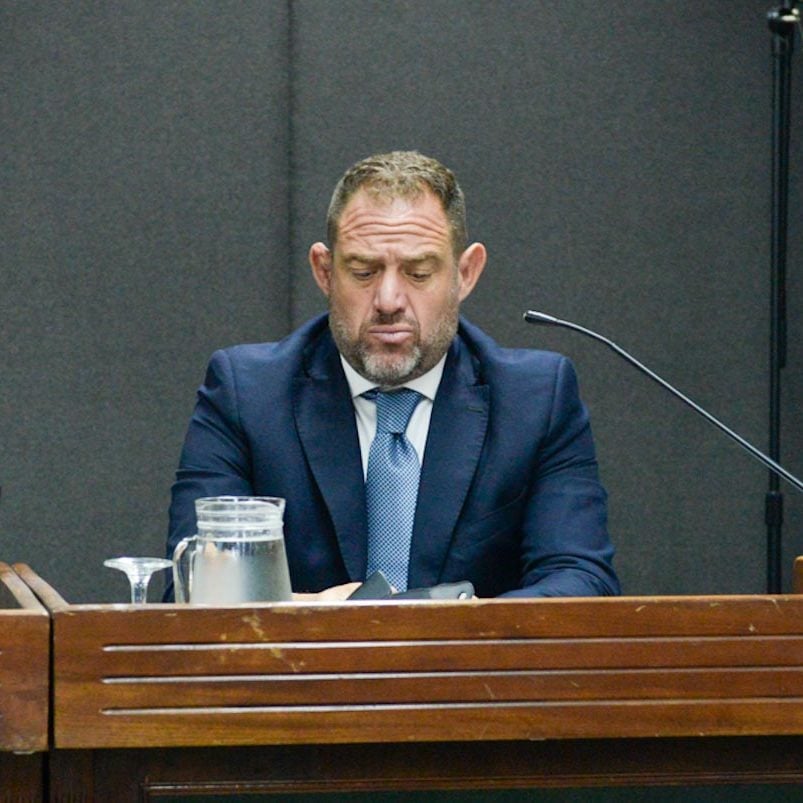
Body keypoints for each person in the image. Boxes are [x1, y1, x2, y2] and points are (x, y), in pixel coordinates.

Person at [166, 150, 619, 599]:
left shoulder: (533, 400)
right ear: (324, 272)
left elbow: (581, 582)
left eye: (418, 273)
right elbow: (192, 590)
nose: (388, 300)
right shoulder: (247, 394)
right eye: (363, 272)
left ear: (465, 273)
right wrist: (318, 617)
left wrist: (453, 627)